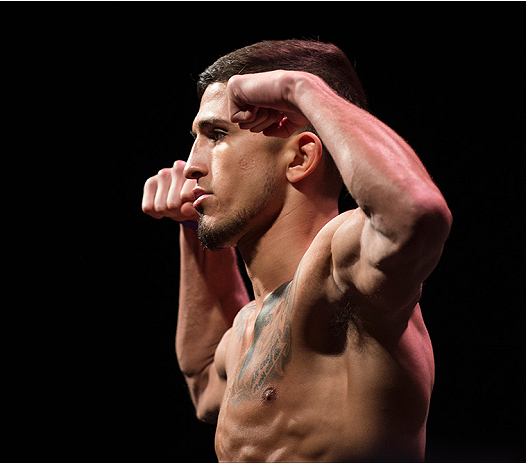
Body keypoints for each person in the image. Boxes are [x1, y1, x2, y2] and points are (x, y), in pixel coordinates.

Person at [141, 39, 452, 462]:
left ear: (301, 157)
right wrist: (193, 224)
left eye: (217, 134)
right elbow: (203, 383)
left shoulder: (340, 274)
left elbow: (417, 212)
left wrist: (301, 88)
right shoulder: (249, 324)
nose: (191, 164)